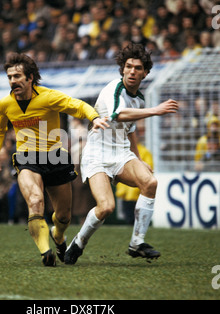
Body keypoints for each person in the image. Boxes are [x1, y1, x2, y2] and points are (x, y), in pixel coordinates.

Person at [0, 52, 108, 267]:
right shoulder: (5, 104)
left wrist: (94, 117)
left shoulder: (48, 97)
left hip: (56, 158)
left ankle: (57, 236)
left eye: (18, 76)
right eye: (10, 77)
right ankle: (45, 252)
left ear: (30, 78)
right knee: (35, 201)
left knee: (64, 216)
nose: (13, 81)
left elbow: (76, 105)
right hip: (26, 158)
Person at [64, 43, 179, 265]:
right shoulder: (113, 89)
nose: (132, 71)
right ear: (122, 69)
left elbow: (131, 131)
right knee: (106, 207)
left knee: (150, 182)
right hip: (97, 154)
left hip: (121, 154)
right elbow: (118, 115)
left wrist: (138, 159)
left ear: (145, 72)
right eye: (128, 67)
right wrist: (155, 110)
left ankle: (137, 242)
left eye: (138, 68)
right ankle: (79, 242)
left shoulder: (140, 100)